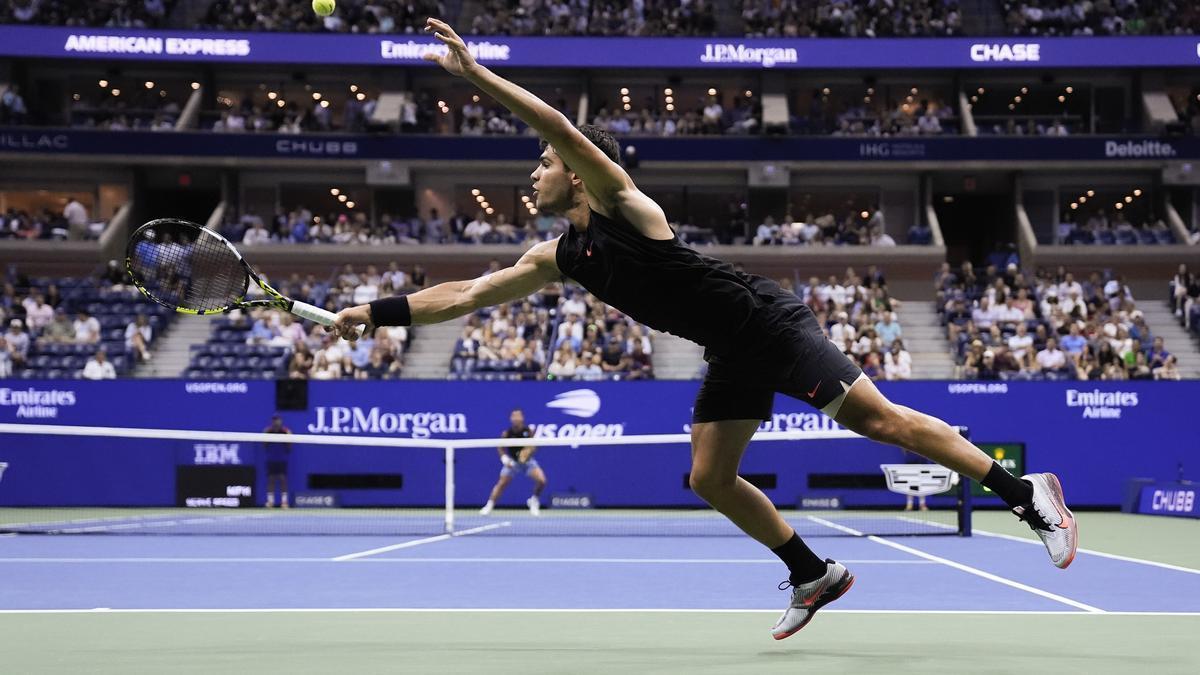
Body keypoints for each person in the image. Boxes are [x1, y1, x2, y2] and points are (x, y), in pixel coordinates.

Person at [331, 18, 1078, 641]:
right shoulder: (559, 254)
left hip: (769, 324)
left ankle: (1026, 493)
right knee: (709, 476)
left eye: (542, 164)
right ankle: (813, 571)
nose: (533, 175)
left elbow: (554, 123)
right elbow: (467, 293)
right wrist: (376, 312)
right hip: (731, 349)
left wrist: (478, 76)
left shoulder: (625, 205)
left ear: (578, 173)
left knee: (880, 420)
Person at [478, 409, 546, 516]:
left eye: (518, 416)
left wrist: (527, 453)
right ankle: (489, 505)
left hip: (527, 462)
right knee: (501, 484)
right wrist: (504, 458)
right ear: (511, 419)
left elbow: (533, 446)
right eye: (514, 416)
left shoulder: (528, 431)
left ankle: (534, 500)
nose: (516, 418)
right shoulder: (507, 433)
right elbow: (500, 447)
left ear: (522, 418)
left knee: (542, 480)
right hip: (512, 462)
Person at [263, 415, 291, 508]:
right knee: (271, 480)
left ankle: (284, 502)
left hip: (282, 459)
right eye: (275, 420)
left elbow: (289, 447)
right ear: (272, 421)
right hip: (271, 459)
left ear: (281, 421)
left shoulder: (285, 432)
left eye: (278, 420)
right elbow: (264, 445)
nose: (276, 422)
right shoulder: (268, 431)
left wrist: (288, 436)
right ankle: (270, 501)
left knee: (283, 479)